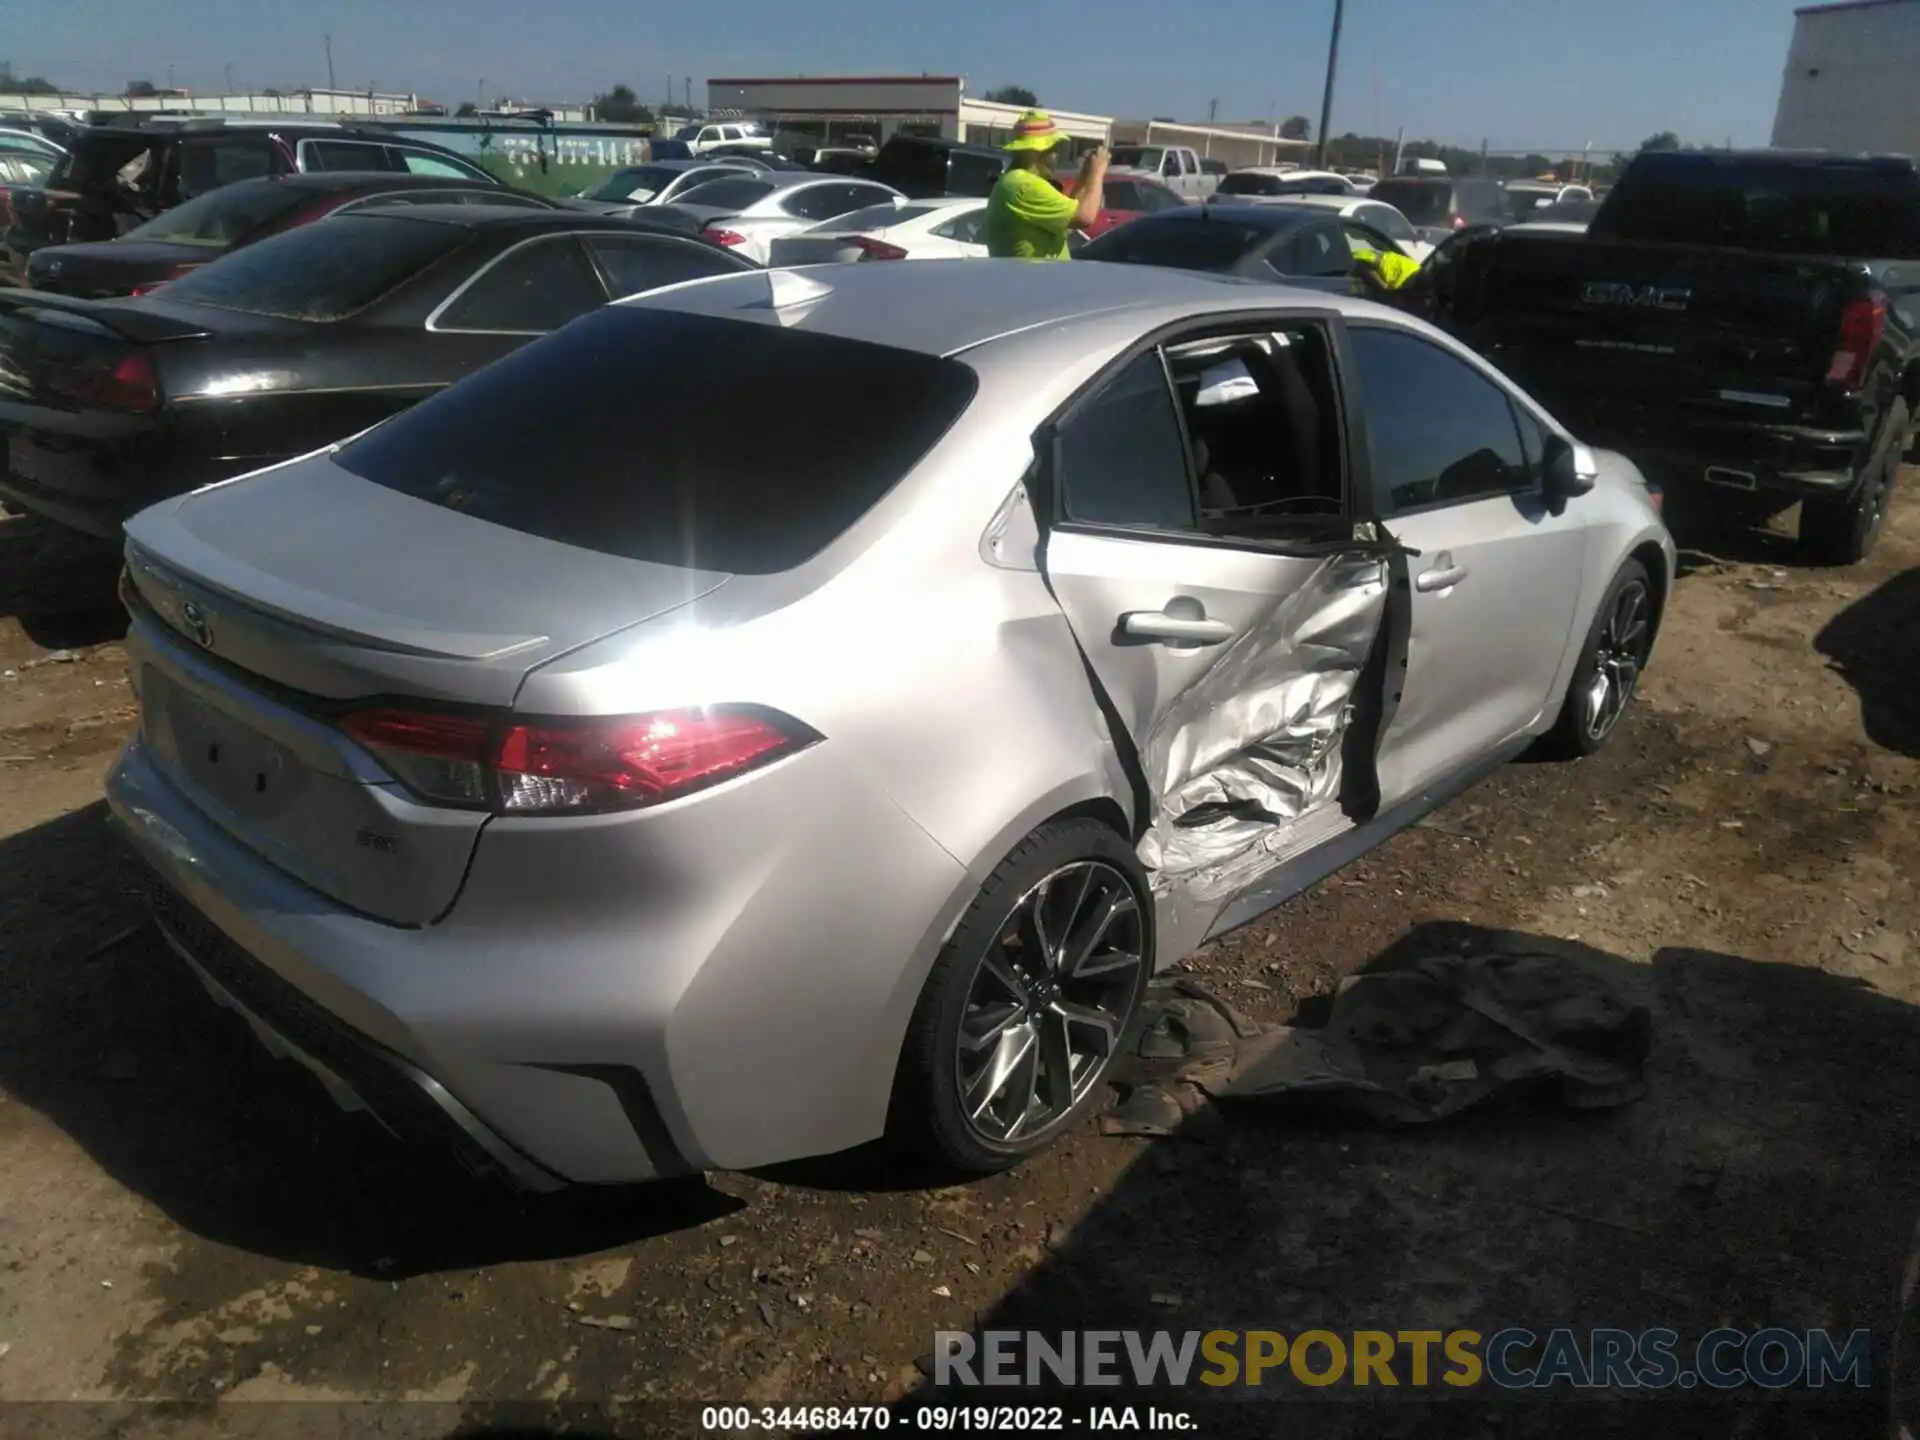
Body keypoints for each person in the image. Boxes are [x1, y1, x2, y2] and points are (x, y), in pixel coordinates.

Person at [985, 110, 1107, 260]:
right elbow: (1085, 217)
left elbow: (1069, 220)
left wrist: (1086, 175)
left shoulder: (1012, 182)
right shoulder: (1025, 186)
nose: (1057, 156)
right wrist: (1097, 172)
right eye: (1054, 150)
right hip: (1037, 281)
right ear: (1036, 152)